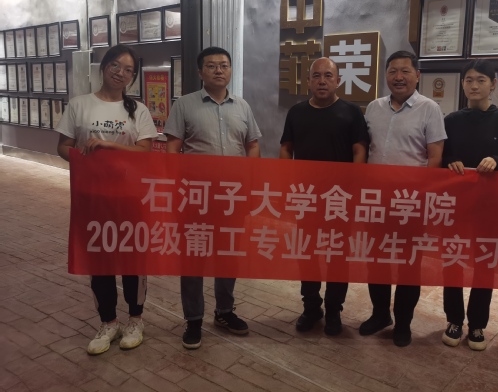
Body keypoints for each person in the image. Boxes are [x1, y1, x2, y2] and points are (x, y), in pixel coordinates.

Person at [55, 45, 157, 355]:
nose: (120, 73)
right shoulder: (79, 105)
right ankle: (108, 322)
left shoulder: (138, 110)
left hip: (130, 196)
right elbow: (63, 146)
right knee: (99, 259)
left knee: (132, 259)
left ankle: (135, 320)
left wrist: (109, 148)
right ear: (103, 67)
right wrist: (86, 160)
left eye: (128, 70)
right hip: (93, 196)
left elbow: (145, 151)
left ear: (132, 76)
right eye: (115, 65)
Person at [164, 46, 261, 350]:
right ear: (200, 72)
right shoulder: (185, 105)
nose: (218, 70)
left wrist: (251, 182)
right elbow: (173, 149)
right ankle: (193, 319)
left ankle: (224, 311)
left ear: (230, 70)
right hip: (196, 197)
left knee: (228, 255)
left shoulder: (242, 106)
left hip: (232, 197)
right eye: (211, 65)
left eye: (224, 65)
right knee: (193, 257)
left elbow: (252, 145)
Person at [359, 50, 447, 347]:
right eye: (392, 71)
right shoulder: (374, 107)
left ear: (417, 75)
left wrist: (421, 196)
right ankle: (380, 314)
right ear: (385, 75)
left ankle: (403, 323)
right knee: (376, 261)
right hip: (376, 201)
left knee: (409, 264)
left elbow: (435, 157)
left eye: (405, 71)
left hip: (410, 202)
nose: (398, 77)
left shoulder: (429, 108)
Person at [280, 57, 369, 336]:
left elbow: (359, 151)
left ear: (338, 81)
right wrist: (287, 183)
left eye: (328, 76)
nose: (322, 81)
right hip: (306, 198)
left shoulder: (351, 112)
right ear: (308, 81)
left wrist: (354, 187)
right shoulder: (296, 112)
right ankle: (311, 307)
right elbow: (286, 149)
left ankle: (333, 310)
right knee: (306, 253)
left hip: (339, 199)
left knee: (337, 256)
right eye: (316, 76)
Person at [440, 59, 498, 351]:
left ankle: (477, 324)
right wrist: (450, 162)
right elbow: (441, 157)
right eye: (469, 80)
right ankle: (453, 319)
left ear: (493, 84)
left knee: (484, 264)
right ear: (463, 84)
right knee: (453, 261)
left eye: (481, 80)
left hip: (490, 207)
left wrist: (497, 161)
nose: (474, 86)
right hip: (456, 205)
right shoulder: (451, 120)